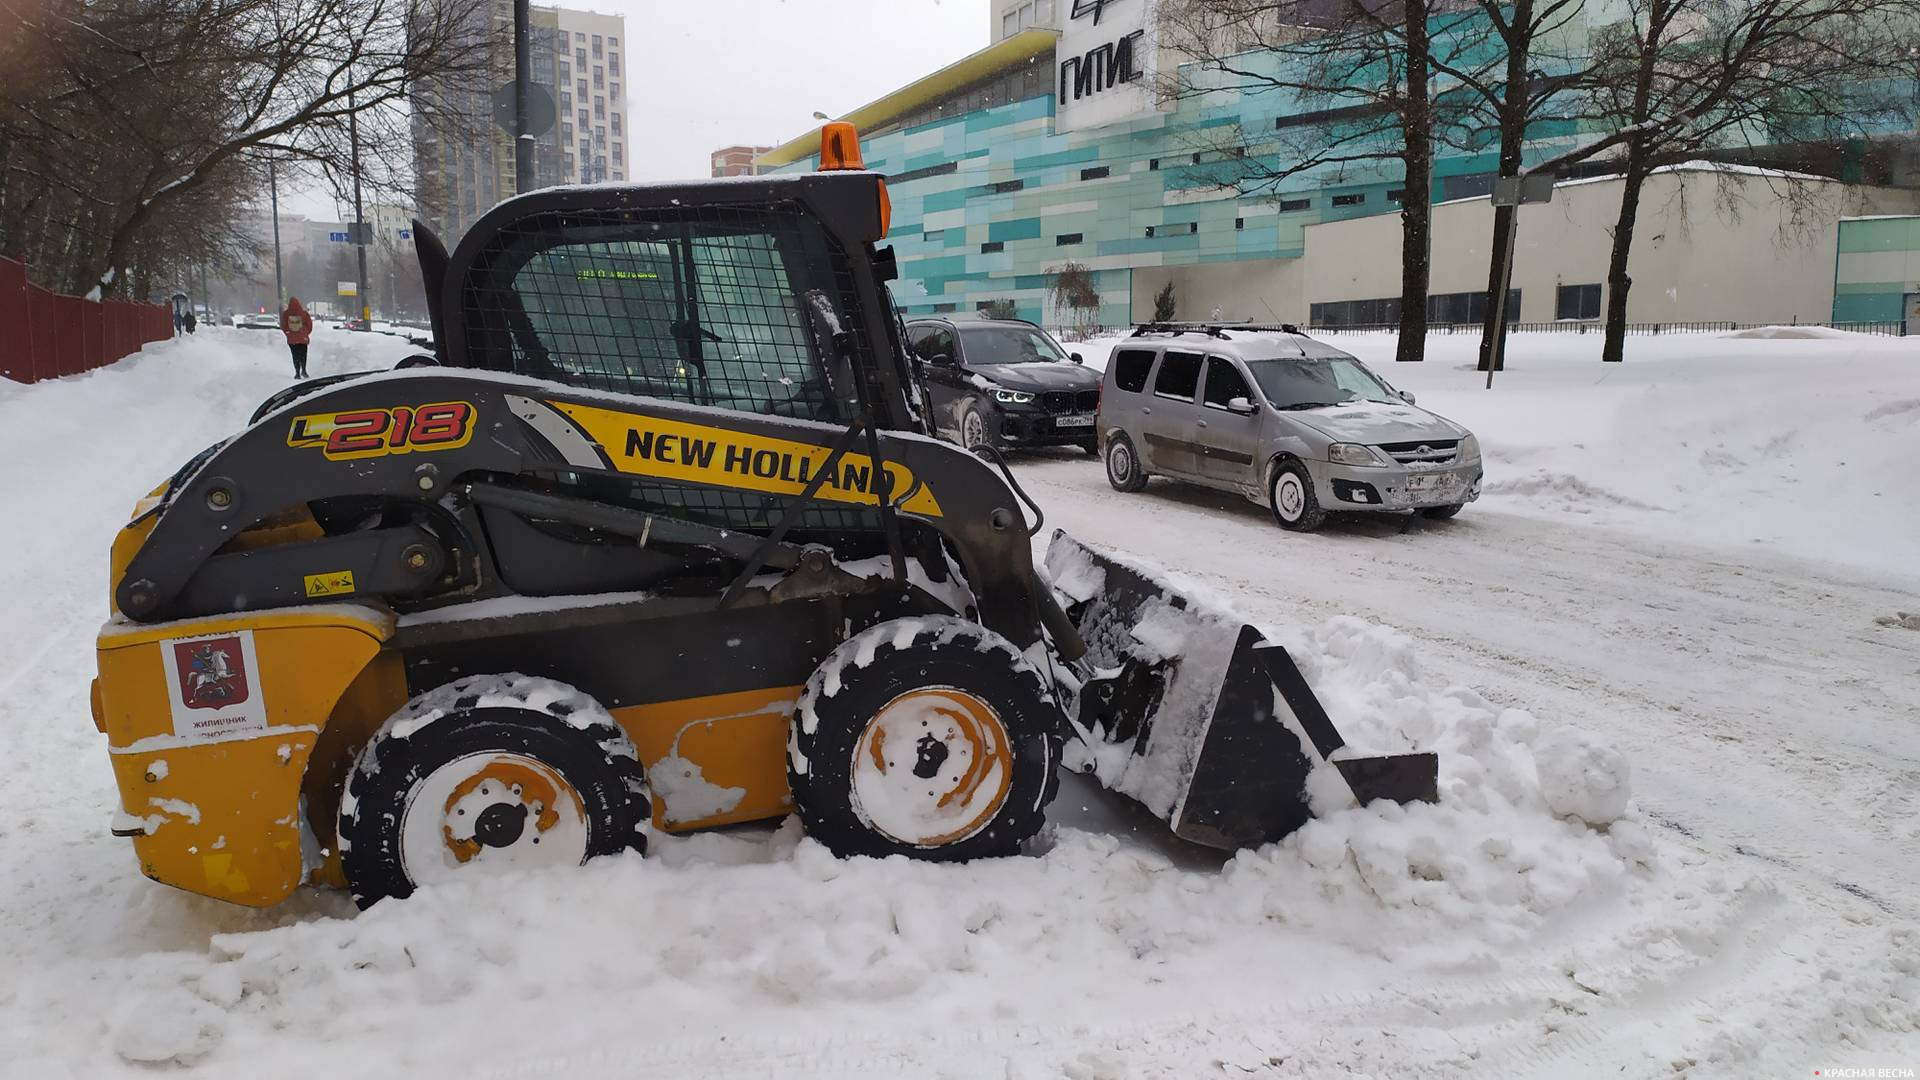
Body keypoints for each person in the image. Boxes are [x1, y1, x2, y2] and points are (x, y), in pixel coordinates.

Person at [280, 296, 312, 378]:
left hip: (292, 340)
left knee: (295, 355)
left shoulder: (286, 314)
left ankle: (297, 372)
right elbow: (309, 325)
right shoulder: (304, 313)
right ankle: (304, 370)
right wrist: (305, 333)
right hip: (302, 339)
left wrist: (288, 333)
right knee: (303, 355)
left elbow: (283, 326)